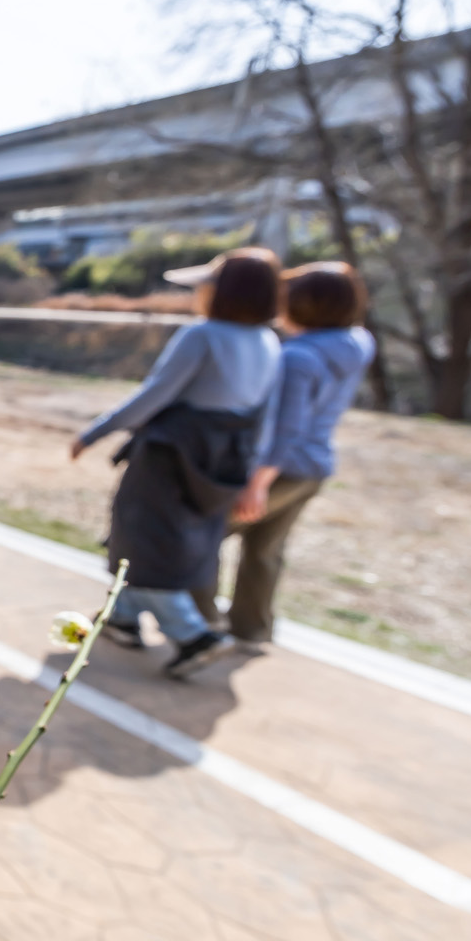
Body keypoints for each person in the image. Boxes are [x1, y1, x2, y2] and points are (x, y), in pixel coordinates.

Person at [71, 248, 283, 679]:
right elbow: (267, 415)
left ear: (223, 292)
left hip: (173, 455)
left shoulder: (202, 336)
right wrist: (250, 473)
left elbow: (156, 394)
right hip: (223, 460)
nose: (199, 292)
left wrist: (96, 431)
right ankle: (122, 619)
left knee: (144, 540)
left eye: (207, 283)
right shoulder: (269, 341)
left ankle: (194, 637)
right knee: (175, 540)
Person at [191, 262, 375, 646]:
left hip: (279, 469)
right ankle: (251, 629)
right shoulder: (356, 343)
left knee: (201, 537)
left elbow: (287, 426)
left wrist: (257, 483)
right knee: (265, 550)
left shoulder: (297, 359)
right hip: (315, 467)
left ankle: (201, 628)